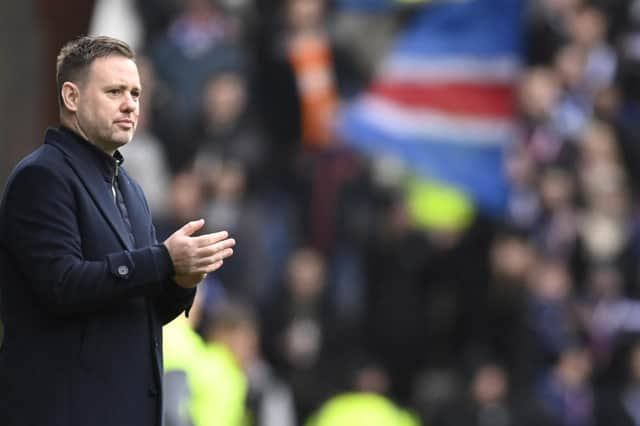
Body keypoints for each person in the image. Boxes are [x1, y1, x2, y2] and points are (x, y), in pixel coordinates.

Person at [0, 35, 236, 426]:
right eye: (114, 92)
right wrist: (162, 259)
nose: (130, 104)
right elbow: (61, 285)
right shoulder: (41, 177)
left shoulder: (129, 188)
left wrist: (180, 280)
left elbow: (138, 312)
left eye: (136, 93)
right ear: (71, 97)